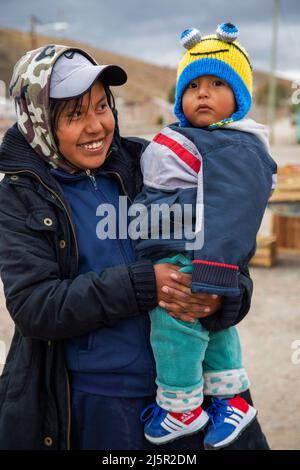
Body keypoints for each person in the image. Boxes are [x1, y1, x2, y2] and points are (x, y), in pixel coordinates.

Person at [0, 43, 264, 451]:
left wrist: (219, 298)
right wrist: (145, 284)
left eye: (101, 107)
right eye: (74, 115)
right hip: (97, 406)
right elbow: (36, 306)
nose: (96, 126)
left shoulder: (151, 161)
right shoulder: (20, 197)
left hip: (191, 399)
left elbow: (225, 243)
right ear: (38, 122)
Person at [135, 23, 277, 450]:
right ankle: (231, 399)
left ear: (240, 96)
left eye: (218, 83)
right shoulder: (208, 140)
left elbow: (234, 214)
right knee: (214, 332)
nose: (203, 92)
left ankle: (180, 406)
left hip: (193, 257)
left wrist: (214, 274)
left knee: (174, 322)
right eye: (193, 84)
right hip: (192, 249)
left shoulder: (234, 145)